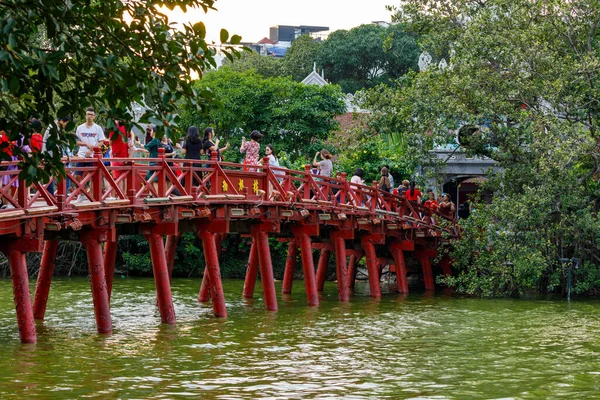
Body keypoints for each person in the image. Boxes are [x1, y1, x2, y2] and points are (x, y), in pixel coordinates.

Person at [74, 107, 105, 172]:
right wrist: (86, 144)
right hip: (81, 155)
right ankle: (80, 183)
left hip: (93, 156)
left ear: (94, 117)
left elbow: (101, 142)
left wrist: (92, 149)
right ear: (85, 115)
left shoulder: (98, 128)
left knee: (93, 177)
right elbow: (76, 142)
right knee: (77, 175)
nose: (89, 116)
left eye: (91, 115)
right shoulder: (80, 128)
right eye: (88, 114)